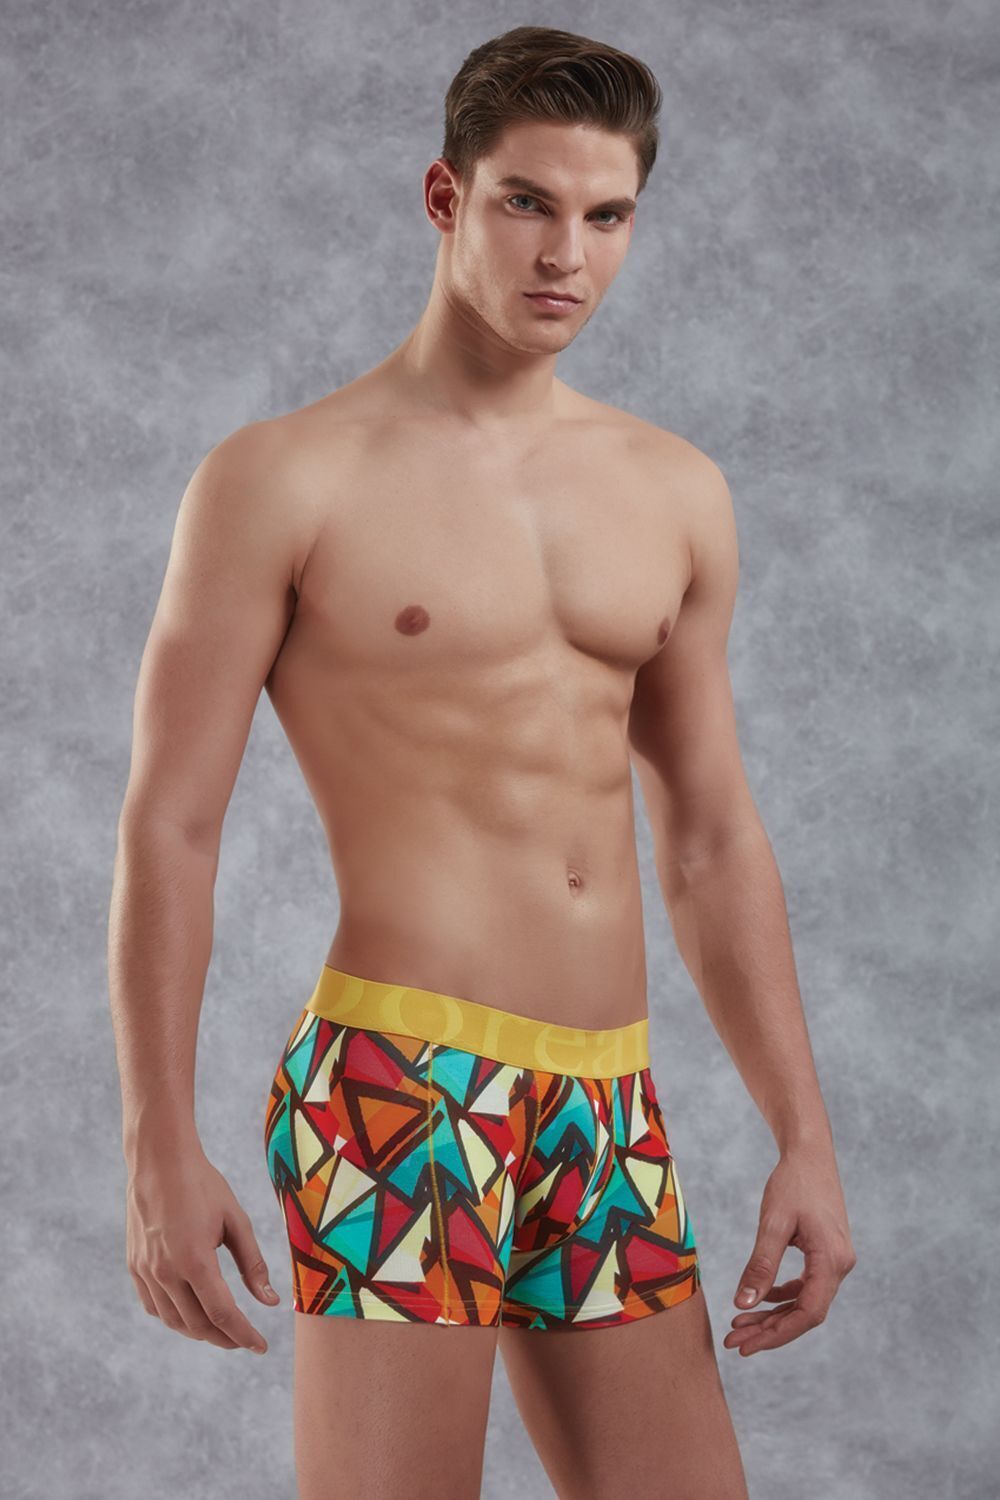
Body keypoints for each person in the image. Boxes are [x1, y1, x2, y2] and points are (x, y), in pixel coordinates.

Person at [108, 23, 856, 1500]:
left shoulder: (675, 491)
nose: (567, 254)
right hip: (399, 1083)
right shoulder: (283, 478)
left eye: (607, 215)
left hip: (608, 1099)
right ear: (446, 197)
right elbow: (169, 826)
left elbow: (709, 833)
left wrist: (804, 1135)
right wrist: (156, 1143)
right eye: (528, 202)